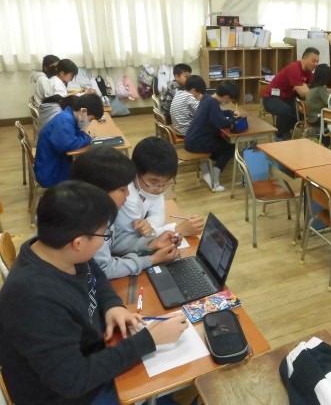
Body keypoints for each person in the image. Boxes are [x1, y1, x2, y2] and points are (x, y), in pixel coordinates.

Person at [0, 181, 188, 404]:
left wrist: (112, 306)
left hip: (93, 354)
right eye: (103, 235)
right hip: (71, 394)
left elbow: (95, 273)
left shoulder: (57, 250)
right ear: (78, 242)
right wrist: (149, 340)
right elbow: (73, 380)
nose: (103, 244)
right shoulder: (35, 301)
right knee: (169, 379)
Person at [71, 147, 181, 279]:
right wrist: (151, 260)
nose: (128, 194)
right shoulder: (88, 224)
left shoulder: (103, 212)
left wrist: (150, 244)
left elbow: (113, 242)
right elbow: (104, 269)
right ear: (100, 190)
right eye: (122, 189)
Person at [115, 137, 205, 245]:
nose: (160, 189)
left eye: (167, 182)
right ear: (135, 172)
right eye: (154, 182)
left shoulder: (149, 188)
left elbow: (158, 214)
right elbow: (136, 238)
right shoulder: (126, 197)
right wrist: (178, 230)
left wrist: (150, 224)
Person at [34, 93, 104, 187]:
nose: (89, 122)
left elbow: (75, 135)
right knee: (89, 172)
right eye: (91, 119)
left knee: (87, 167)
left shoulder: (68, 116)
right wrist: (87, 138)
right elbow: (68, 144)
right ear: (83, 111)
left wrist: (84, 137)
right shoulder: (65, 120)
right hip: (50, 173)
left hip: (52, 164)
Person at [185, 81, 240, 192]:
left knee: (222, 143)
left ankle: (209, 166)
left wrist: (230, 113)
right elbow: (222, 123)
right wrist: (234, 120)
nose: (230, 102)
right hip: (197, 143)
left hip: (191, 139)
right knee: (231, 145)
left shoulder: (207, 98)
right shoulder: (213, 103)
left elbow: (217, 114)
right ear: (226, 97)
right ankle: (215, 178)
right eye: (231, 100)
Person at [263, 47, 319, 140]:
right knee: (285, 110)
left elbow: (312, 87)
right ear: (305, 58)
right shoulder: (294, 69)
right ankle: (278, 135)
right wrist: (317, 93)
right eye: (313, 61)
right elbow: (302, 93)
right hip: (271, 97)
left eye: (317, 61)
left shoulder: (308, 71)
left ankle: (286, 130)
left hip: (287, 98)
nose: (316, 64)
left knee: (302, 112)